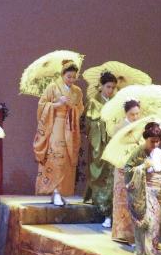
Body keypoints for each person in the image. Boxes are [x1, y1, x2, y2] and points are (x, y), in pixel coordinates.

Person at [33, 60, 84, 205]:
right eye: (69, 76)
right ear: (62, 75)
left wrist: (72, 107)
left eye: (74, 77)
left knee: (67, 159)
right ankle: (54, 190)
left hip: (70, 127)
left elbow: (80, 109)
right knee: (56, 157)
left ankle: (61, 191)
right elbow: (42, 106)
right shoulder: (53, 87)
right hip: (55, 125)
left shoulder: (77, 91)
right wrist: (58, 104)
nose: (71, 80)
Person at [124, 122, 161, 255]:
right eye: (152, 141)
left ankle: (150, 250)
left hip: (158, 192)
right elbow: (127, 169)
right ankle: (144, 252)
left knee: (155, 223)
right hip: (144, 191)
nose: (155, 144)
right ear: (146, 139)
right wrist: (142, 167)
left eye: (158, 141)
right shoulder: (138, 152)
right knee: (145, 223)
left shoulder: (160, 153)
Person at [84, 71, 117, 226]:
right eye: (108, 87)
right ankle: (98, 204)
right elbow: (88, 123)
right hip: (98, 143)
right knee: (97, 172)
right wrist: (100, 122)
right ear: (101, 86)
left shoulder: (116, 103)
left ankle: (108, 210)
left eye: (113, 87)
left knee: (110, 176)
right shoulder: (93, 102)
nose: (110, 90)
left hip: (111, 142)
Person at [111, 99, 141, 244]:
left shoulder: (141, 127)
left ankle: (135, 235)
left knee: (135, 200)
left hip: (136, 167)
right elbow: (116, 147)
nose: (135, 117)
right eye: (132, 114)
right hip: (122, 166)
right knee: (122, 199)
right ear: (126, 113)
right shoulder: (119, 127)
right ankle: (121, 233)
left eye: (137, 114)